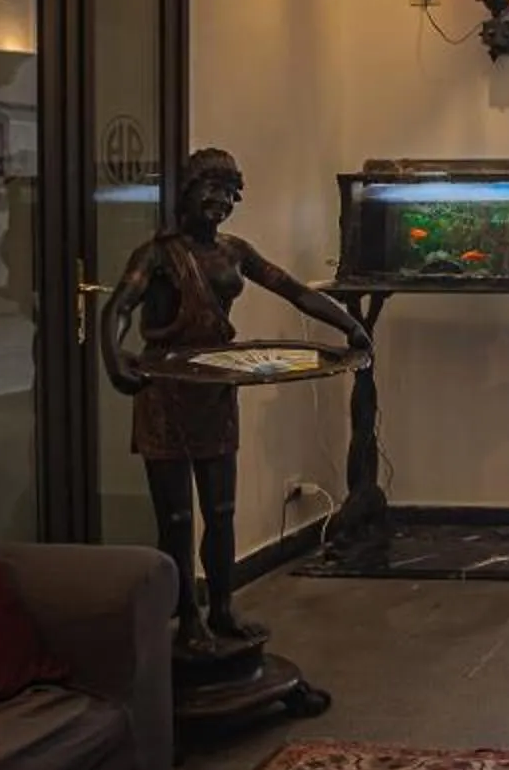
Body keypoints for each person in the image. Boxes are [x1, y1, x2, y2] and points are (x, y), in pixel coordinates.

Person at [101, 147, 369, 653]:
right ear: (187, 192)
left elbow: (294, 291)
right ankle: (187, 617)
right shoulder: (157, 254)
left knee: (221, 510)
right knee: (176, 519)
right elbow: (120, 306)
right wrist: (114, 357)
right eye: (212, 189)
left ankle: (222, 608)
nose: (220, 201)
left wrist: (349, 325)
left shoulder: (233, 251)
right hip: (166, 394)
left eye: (229, 193)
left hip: (216, 390)